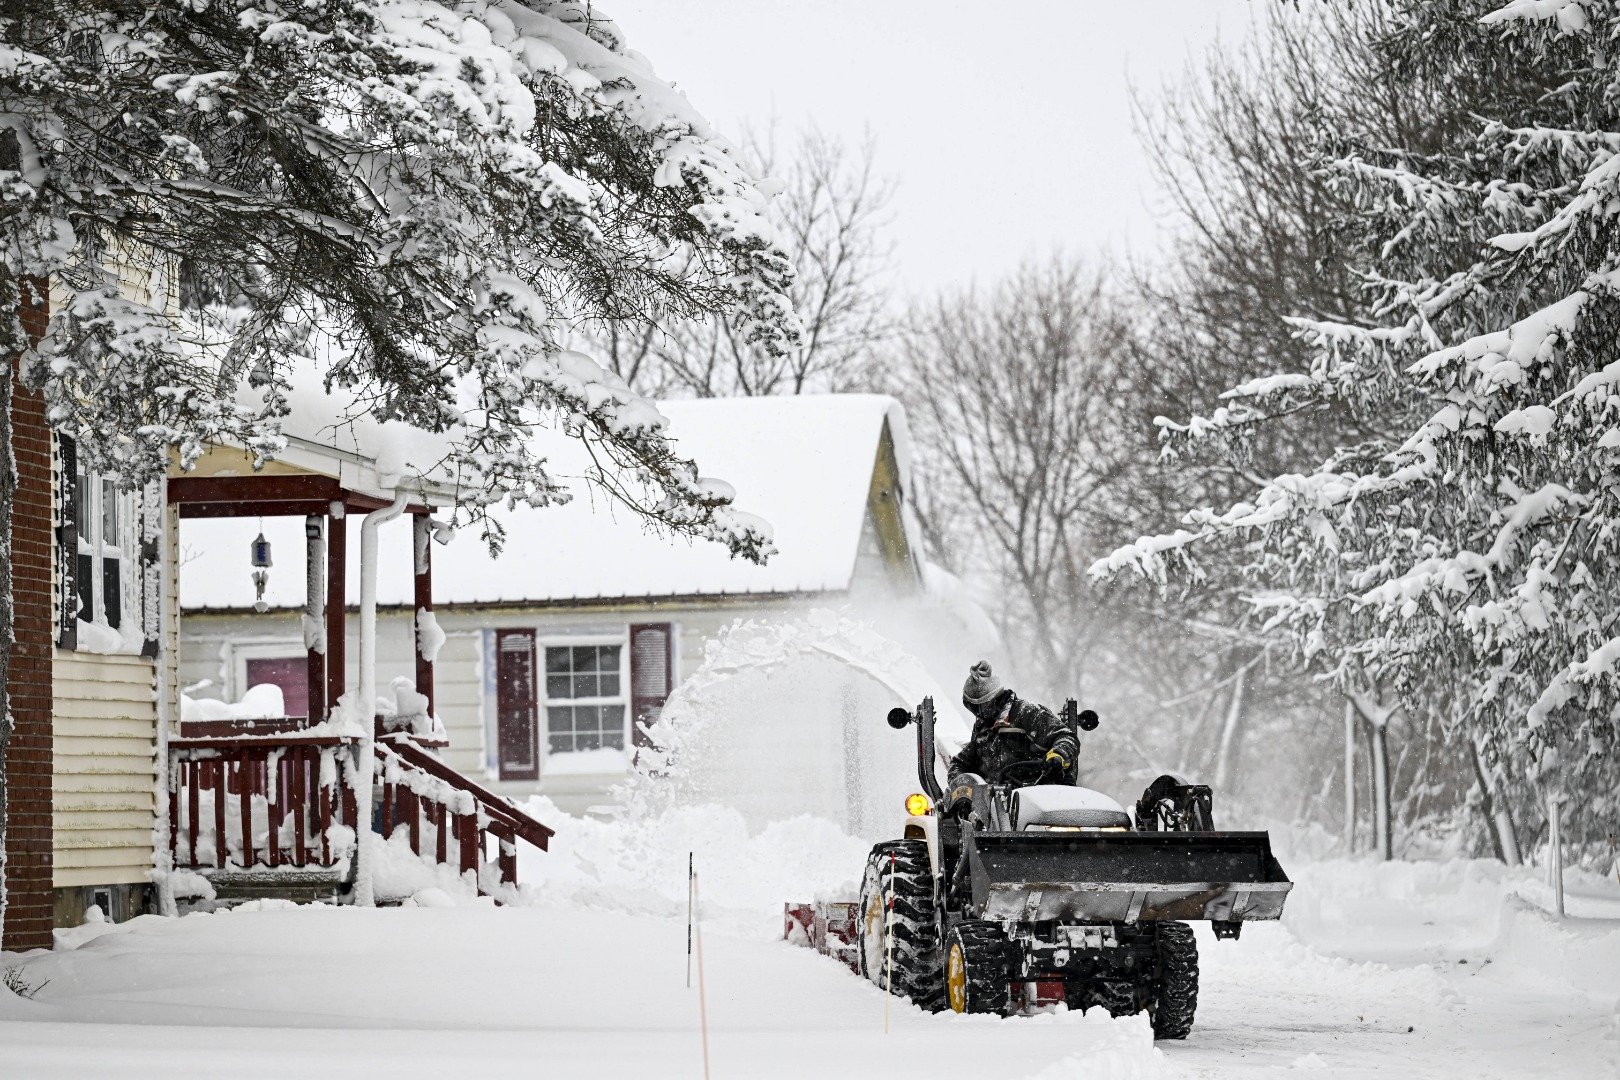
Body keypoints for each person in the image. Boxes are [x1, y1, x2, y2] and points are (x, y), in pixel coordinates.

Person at [946, 661, 1077, 796]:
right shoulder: (981, 728)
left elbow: (1066, 737)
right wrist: (962, 789)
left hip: (1042, 795)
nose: (977, 714)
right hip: (998, 806)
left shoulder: (1027, 712)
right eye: (971, 708)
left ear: (994, 699)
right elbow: (961, 763)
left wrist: (1058, 755)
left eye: (980, 707)